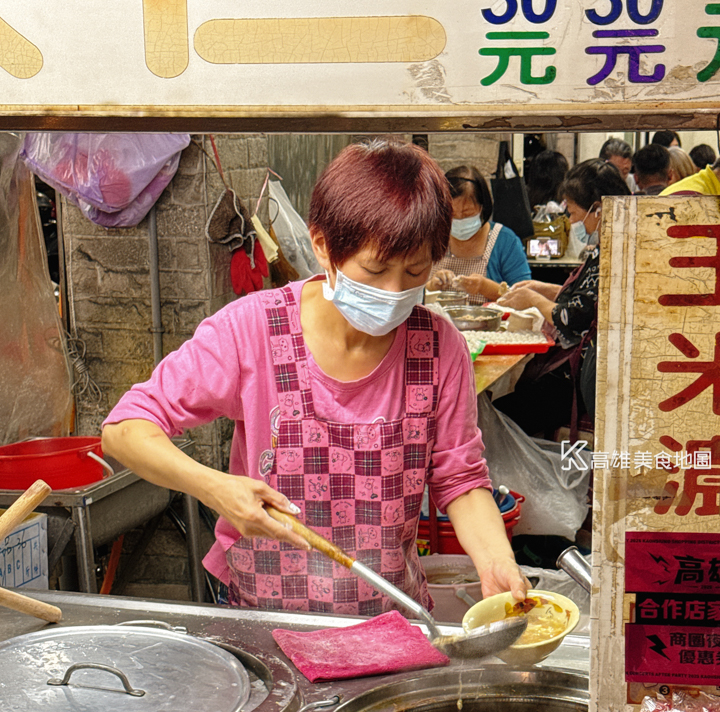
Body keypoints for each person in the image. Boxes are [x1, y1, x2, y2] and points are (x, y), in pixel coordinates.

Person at [102, 140, 528, 614]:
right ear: (323, 245)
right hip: (266, 618)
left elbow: (461, 479)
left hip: (390, 619)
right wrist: (214, 487)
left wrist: (496, 561)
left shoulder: (439, 345)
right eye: (374, 269)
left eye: (415, 271)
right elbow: (124, 430)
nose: (394, 291)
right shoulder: (252, 329)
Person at [490, 160, 631, 436]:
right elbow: (586, 296)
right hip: (575, 370)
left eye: (575, 212)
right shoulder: (604, 246)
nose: (572, 221)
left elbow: (575, 318)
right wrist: (544, 288)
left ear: (599, 210)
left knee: (505, 416)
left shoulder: (617, 252)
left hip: (584, 377)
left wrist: (532, 299)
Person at [426, 165, 531, 303]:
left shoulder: (506, 241)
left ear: (482, 207)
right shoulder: (431, 238)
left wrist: (484, 286)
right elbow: (407, 290)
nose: (459, 219)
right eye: (451, 215)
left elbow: (526, 297)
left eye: (467, 213)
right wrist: (431, 287)